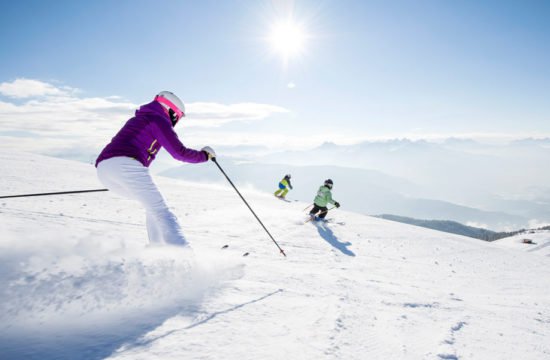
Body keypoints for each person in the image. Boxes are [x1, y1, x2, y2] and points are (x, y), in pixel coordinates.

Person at [95, 91, 216, 246]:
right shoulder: (158, 120)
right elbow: (179, 153)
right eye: (179, 116)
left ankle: (157, 250)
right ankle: (183, 258)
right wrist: (205, 156)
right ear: (172, 111)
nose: (177, 120)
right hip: (125, 166)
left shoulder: (139, 119)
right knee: (161, 211)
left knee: (152, 207)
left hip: (104, 169)